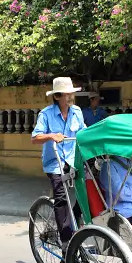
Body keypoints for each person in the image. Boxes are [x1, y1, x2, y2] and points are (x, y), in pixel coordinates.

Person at [31, 76, 87, 250]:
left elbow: (83, 133)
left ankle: (76, 222)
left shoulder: (76, 111)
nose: (70, 97)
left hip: (74, 159)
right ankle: (66, 241)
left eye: (71, 94)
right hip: (54, 162)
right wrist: (51, 136)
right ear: (57, 96)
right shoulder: (46, 114)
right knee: (61, 198)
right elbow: (35, 138)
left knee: (87, 189)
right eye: (67, 95)